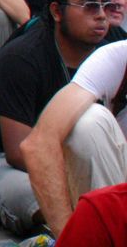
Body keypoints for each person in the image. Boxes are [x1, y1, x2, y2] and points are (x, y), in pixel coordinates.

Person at [0, 0, 112, 234]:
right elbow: (19, 151)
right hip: (1, 163)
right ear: (57, 11)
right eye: (90, 6)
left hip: (78, 159)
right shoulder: (22, 57)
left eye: (106, 5)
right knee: (48, 200)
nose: (102, 16)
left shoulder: (109, 51)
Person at [22, 35, 127, 237]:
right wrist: (70, 238)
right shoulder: (117, 57)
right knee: (87, 122)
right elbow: (39, 143)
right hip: (116, 198)